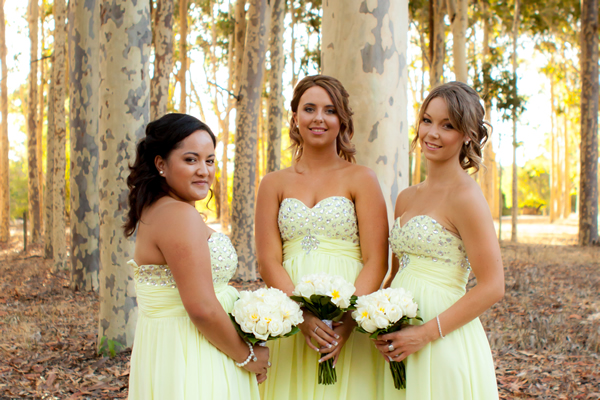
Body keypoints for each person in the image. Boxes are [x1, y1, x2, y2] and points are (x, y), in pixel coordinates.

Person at [256, 75, 389, 400]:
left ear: (342, 120)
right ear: (295, 117)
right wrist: (300, 316)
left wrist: (347, 322)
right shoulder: (273, 183)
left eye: (329, 110)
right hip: (291, 313)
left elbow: (376, 259)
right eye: (309, 108)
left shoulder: (361, 178)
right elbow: (268, 260)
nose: (319, 118)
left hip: (350, 312)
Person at [125, 113, 269, 399]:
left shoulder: (160, 210)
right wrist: (247, 356)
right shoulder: (179, 216)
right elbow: (201, 307)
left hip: (176, 348)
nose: (204, 170)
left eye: (210, 160)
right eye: (191, 160)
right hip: (194, 351)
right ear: (161, 164)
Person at [375, 81, 503, 399]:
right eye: (427, 120)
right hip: (400, 336)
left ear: (468, 135)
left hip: (441, 337)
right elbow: (394, 273)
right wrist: (377, 318)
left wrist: (425, 334)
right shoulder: (406, 197)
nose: (432, 133)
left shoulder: (467, 198)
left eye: (447, 126)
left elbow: (493, 286)